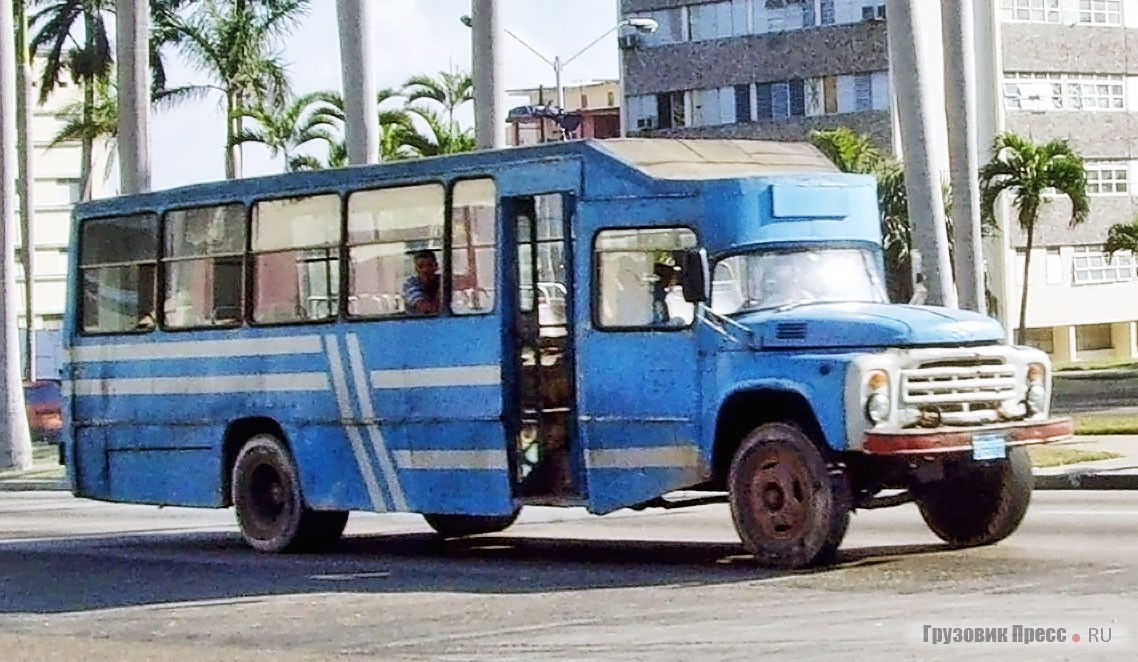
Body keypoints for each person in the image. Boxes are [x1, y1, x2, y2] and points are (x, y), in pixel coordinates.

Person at [403, 249, 441, 315]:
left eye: (429, 265)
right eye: (421, 267)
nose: (425, 270)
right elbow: (426, 309)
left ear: (436, 266)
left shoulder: (444, 280)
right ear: (416, 269)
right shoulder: (410, 284)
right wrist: (442, 292)